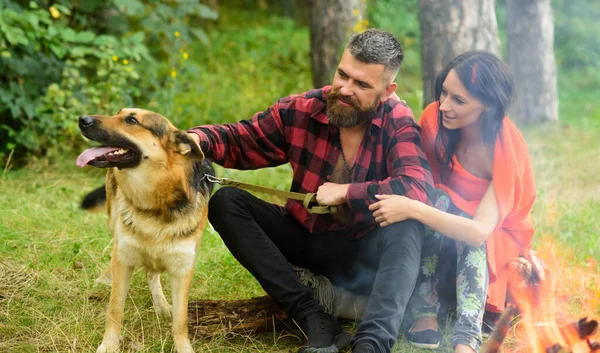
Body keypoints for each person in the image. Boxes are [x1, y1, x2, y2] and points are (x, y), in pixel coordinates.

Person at [187, 29, 436, 353]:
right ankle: (313, 317)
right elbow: (241, 139)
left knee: (406, 219)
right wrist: (195, 139)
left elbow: (416, 187)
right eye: (342, 75)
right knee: (227, 202)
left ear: (387, 91)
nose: (345, 90)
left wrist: (347, 192)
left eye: (361, 85)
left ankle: (372, 343)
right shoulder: (305, 108)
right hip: (307, 239)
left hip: (365, 254)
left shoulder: (397, 120)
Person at [368, 51, 536, 353]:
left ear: (488, 104)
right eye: (444, 92)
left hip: (494, 236)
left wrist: (412, 208)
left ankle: (466, 339)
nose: (444, 105)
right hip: (440, 228)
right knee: (442, 199)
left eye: (459, 100)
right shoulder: (434, 118)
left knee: (463, 227)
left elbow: (478, 231)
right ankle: (425, 315)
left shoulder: (504, 148)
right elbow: (424, 187)